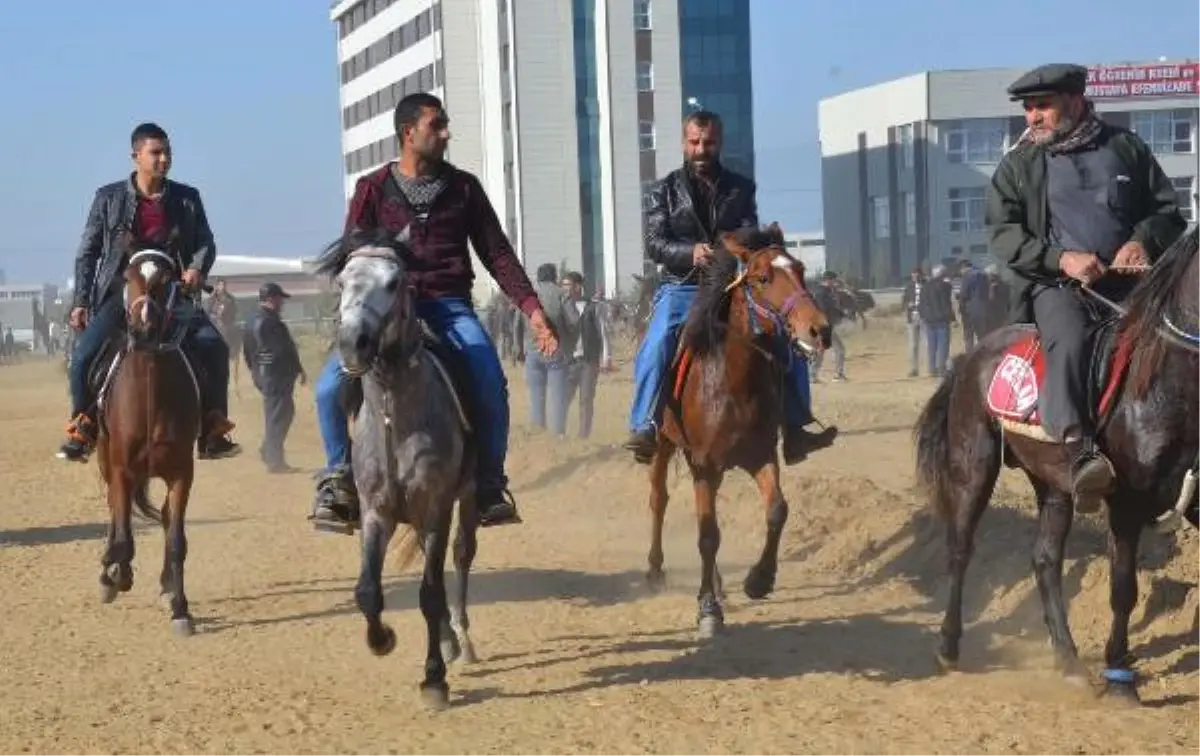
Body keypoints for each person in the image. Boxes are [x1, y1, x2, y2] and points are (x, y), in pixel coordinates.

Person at [311, 92, 559, 531]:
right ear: (409, 133)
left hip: (447, 307)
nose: (446, 134)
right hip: (387, 310)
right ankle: (338, 481)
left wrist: (532, 309)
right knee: (330, 388)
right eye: (436, 126)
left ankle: (488, 484)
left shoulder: (464, 188)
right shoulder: (371, 188)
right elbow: (354, 252)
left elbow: (496, 254)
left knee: (487, 378)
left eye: (444, 125)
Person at [987, 62, 1186, 513]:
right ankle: (1080, 453)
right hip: (1059, 289)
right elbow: (1003, 236)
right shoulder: (1018, 166)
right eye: (1029, 109)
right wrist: (1062, 259)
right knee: (1071, 340)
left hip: (1134, 285)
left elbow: (1167, 213)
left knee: (1181, 341)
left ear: (1075, 103)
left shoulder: (1126, 148)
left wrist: (1142, 240)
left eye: (1044, 107)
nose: (1033, 117)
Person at [624, 110, 837, 465]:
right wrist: (689, 252)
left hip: (732, 283)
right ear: (683, 144)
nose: (701, 149)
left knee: (786, 339)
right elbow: (655, 243)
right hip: (682, 286)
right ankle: (644, 423)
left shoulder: (741, 187)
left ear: (718, 143)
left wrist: (735, 242)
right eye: (694, 142)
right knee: (659, 339)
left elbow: (751, 230)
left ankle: (797, 427)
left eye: (708, 142)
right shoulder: (663, 191)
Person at [58, 122, 240, 462]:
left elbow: (205, 241)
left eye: (167, 152)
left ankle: (213, 427)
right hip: (120, 293)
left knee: (214, 347)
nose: (164, 159)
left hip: (174, 293)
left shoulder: (187, 198)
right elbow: (88, 252)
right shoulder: (107, 198)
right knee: (83, 355)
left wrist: (197, 267)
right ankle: (82, 424)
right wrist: (81, 300)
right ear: (135, 156)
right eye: (156, 152)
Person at [242, 282, 305, 473]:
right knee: (278, 416)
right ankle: (274, 460)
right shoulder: (269, 321)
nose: (282, 303)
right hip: (275, 375)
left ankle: (268, 449)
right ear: (271, 298)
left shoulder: (252, 319)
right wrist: (295, 368)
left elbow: (248, 352)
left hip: (265, 375)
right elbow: (281, 350)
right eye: (280, 298)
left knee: (281, 414)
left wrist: (255, 371)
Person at [561, 270, 612, 439]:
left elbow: (603, 333)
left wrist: (606, 358)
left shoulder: (593, 307)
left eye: (567, 285)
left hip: (589, 361)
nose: (564, 288)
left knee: (586, 400)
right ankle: (559, 432)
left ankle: (583, 436)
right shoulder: (562, 307)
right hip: (569, 361)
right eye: (563, 285)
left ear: (577, 287)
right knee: (563, 398)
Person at [524, 263, 572, 435]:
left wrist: (518, 347)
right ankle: (558, 434)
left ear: (538, 277)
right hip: (555, 351)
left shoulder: (529, 296)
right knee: (558, 396)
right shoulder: (561, 294)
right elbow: (573, 321)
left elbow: (516, 323)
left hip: (532, 350)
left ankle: (538, 433)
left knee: (536, 396)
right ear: (554, 276)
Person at [918, 265, 955, 377]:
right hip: (942, 320)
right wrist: (952, 318)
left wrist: (924, 316)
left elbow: (921, 304)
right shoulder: (945, 286)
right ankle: (941, 368)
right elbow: (947, 303)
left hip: (929, 320)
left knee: (932, 346)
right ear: (942, 275)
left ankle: (932, 368)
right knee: (943, 345)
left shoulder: (925, 287)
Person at [811, 272, 848, 382]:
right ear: (828, 280)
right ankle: (838, 374)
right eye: (834, 280)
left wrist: (840, 313)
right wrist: (839, 312)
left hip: (825, 324)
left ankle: (813, 374)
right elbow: (824, 308)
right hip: (825, 325)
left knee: (822, 350)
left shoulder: (826, 291)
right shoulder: (821, 292)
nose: (835, 283)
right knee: (839, 349)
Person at [901, 267, 924, 377]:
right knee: (913, 345)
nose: (915, 276)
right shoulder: (909, 287)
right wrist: (907, 305)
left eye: (917, 274)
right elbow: (903, 302)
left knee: (927, 344)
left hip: (924, 317)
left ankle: (932, 367)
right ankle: (914, 369)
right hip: (912, 317)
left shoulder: (926, 285)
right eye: (913, 274)